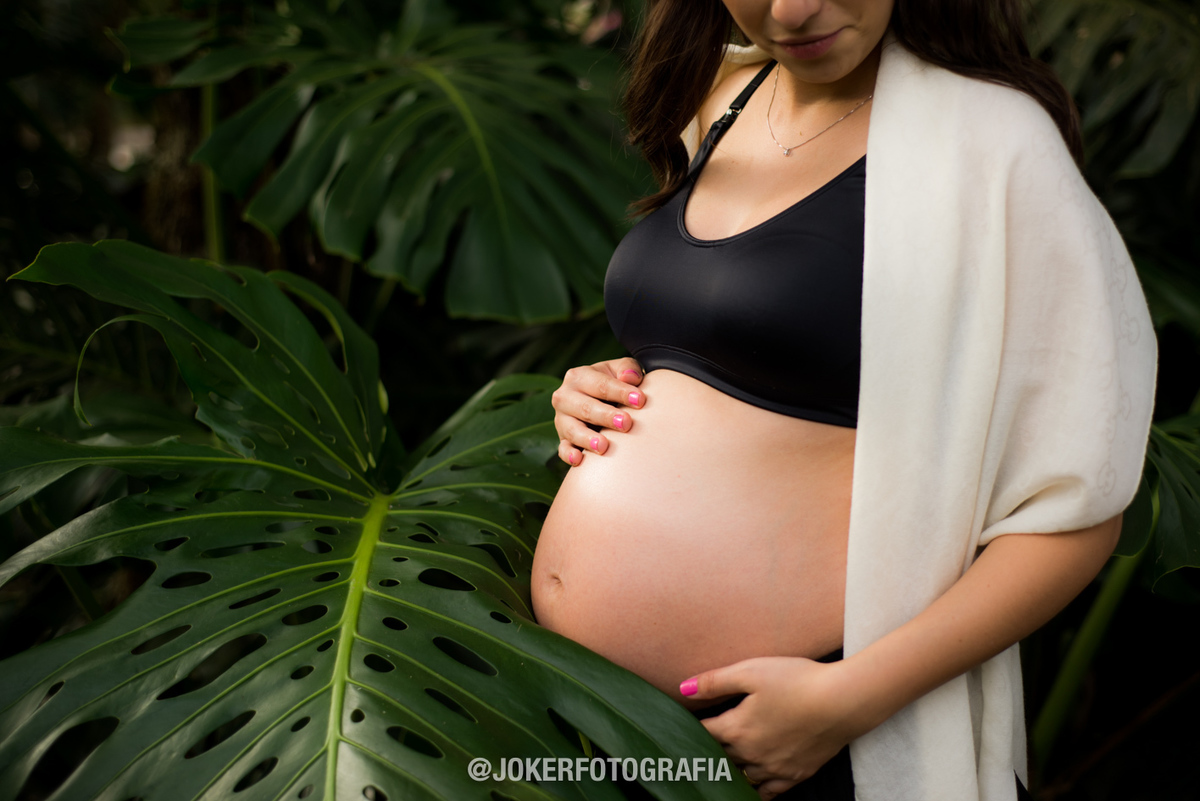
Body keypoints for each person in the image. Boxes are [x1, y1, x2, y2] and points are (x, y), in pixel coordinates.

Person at [529, 1, 1157, 800]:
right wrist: (596, 393)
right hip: (588, 719)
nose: (791, 9)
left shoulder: (991, 145)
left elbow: (1075, 506)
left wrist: (844, 701)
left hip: (807, 728)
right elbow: (732, 346)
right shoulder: (722, 98)